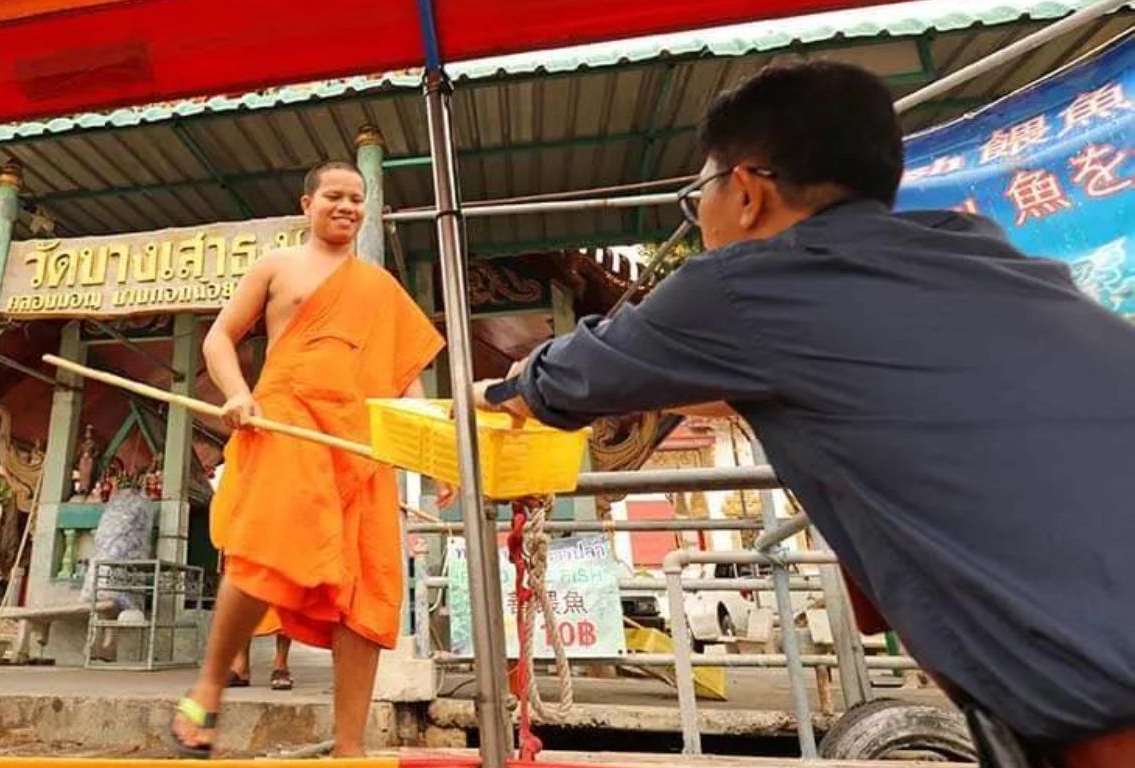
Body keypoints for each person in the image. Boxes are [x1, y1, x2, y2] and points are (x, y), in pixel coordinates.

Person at [474, 61, 1135, 767]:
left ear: (749, 193)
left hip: (1097, 713)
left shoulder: (741, 290)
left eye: (700, 195)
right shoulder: (977, 255)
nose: (701, 221)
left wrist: (503, 384)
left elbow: (564, 382)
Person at [170, 161, 447, 758]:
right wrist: (237, 393)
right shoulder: (276, 267)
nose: (346, 207)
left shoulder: (379, 288)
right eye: (334, 196)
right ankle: (209, 686)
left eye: (357, 199)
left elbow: (408, 381)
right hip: (285, 429)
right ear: (307, 204)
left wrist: (431, 455)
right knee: (261, 556)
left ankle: (350, 746)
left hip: (362, 449)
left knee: (366, 590)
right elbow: (219, 338)